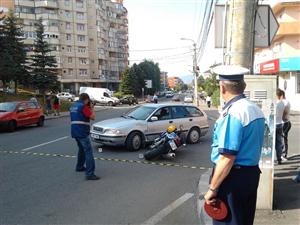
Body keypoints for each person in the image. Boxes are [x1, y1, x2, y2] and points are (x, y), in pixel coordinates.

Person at [204, 65, 265, 225]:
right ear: (242, 85)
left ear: (222, 87)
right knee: (244, 220)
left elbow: (227, 157)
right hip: (251, 175)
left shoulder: (234, 113)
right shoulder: (254, 109)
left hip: (232, 179)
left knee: (228, 221)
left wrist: (212, 189)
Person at [70, 93, 100, 180]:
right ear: (86, 100)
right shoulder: (83, 107)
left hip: (74, 131)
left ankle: (79, 167)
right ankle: (90, 173)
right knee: (88, 152)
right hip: (82, 132)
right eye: (88, 101)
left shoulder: (73, 106)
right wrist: (92, 108)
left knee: (82, 149)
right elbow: (93, 117)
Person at [275, 89, 285, 164]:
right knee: (279, 143)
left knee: (271, 143)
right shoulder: (282, 103)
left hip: (274, 124)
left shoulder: (276, 104)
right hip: (280, 124)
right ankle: (279, 158)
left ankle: (271, 160)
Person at [281, 90, 291, 160]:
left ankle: (284, 154)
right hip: (283, 122)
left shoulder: (285, 102)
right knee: (281, 139)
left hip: (285, 123)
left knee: (283, 138)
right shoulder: (283, 102)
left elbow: (285, 113)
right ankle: (282, 154)